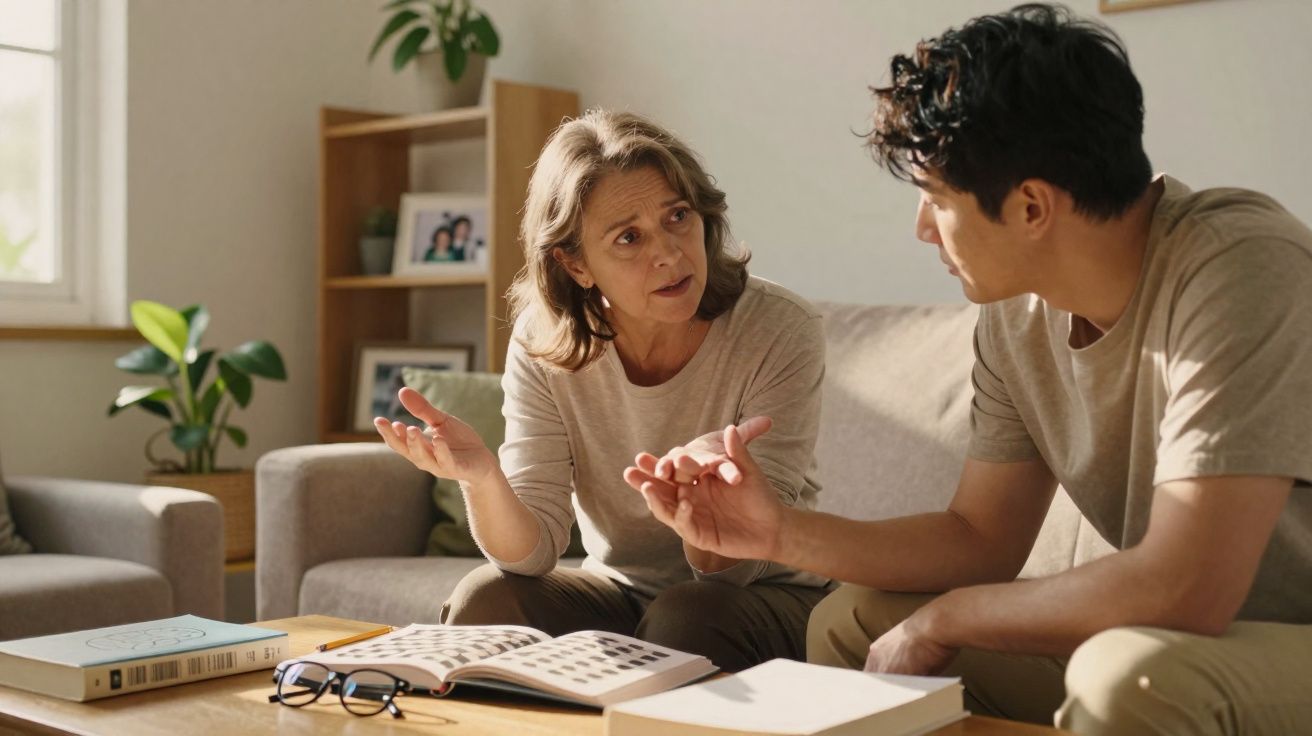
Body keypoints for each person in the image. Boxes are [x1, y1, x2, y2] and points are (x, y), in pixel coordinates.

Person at [623, 4, 1312, 733]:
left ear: (1031, 206)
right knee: (854, 619)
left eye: (936, 199)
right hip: (1192, 634)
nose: (922, 228)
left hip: (1279, 634)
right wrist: (776, 533)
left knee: (1130, 678)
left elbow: (1188, 586)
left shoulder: (1240, 266)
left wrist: (953, 616)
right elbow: (979, 538)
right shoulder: (1018, 317)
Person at [373, 109, 833, 672]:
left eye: (678, 216)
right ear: (575, 263)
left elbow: (739, 565)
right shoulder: (545, 343)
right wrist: (483, 478)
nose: (668, 253)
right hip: (622, 593)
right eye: (629, 237)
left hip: (762, 594)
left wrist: (706, 505)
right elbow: (535, 551)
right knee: (484, 597)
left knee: (687, 615)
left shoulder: (779, 328)